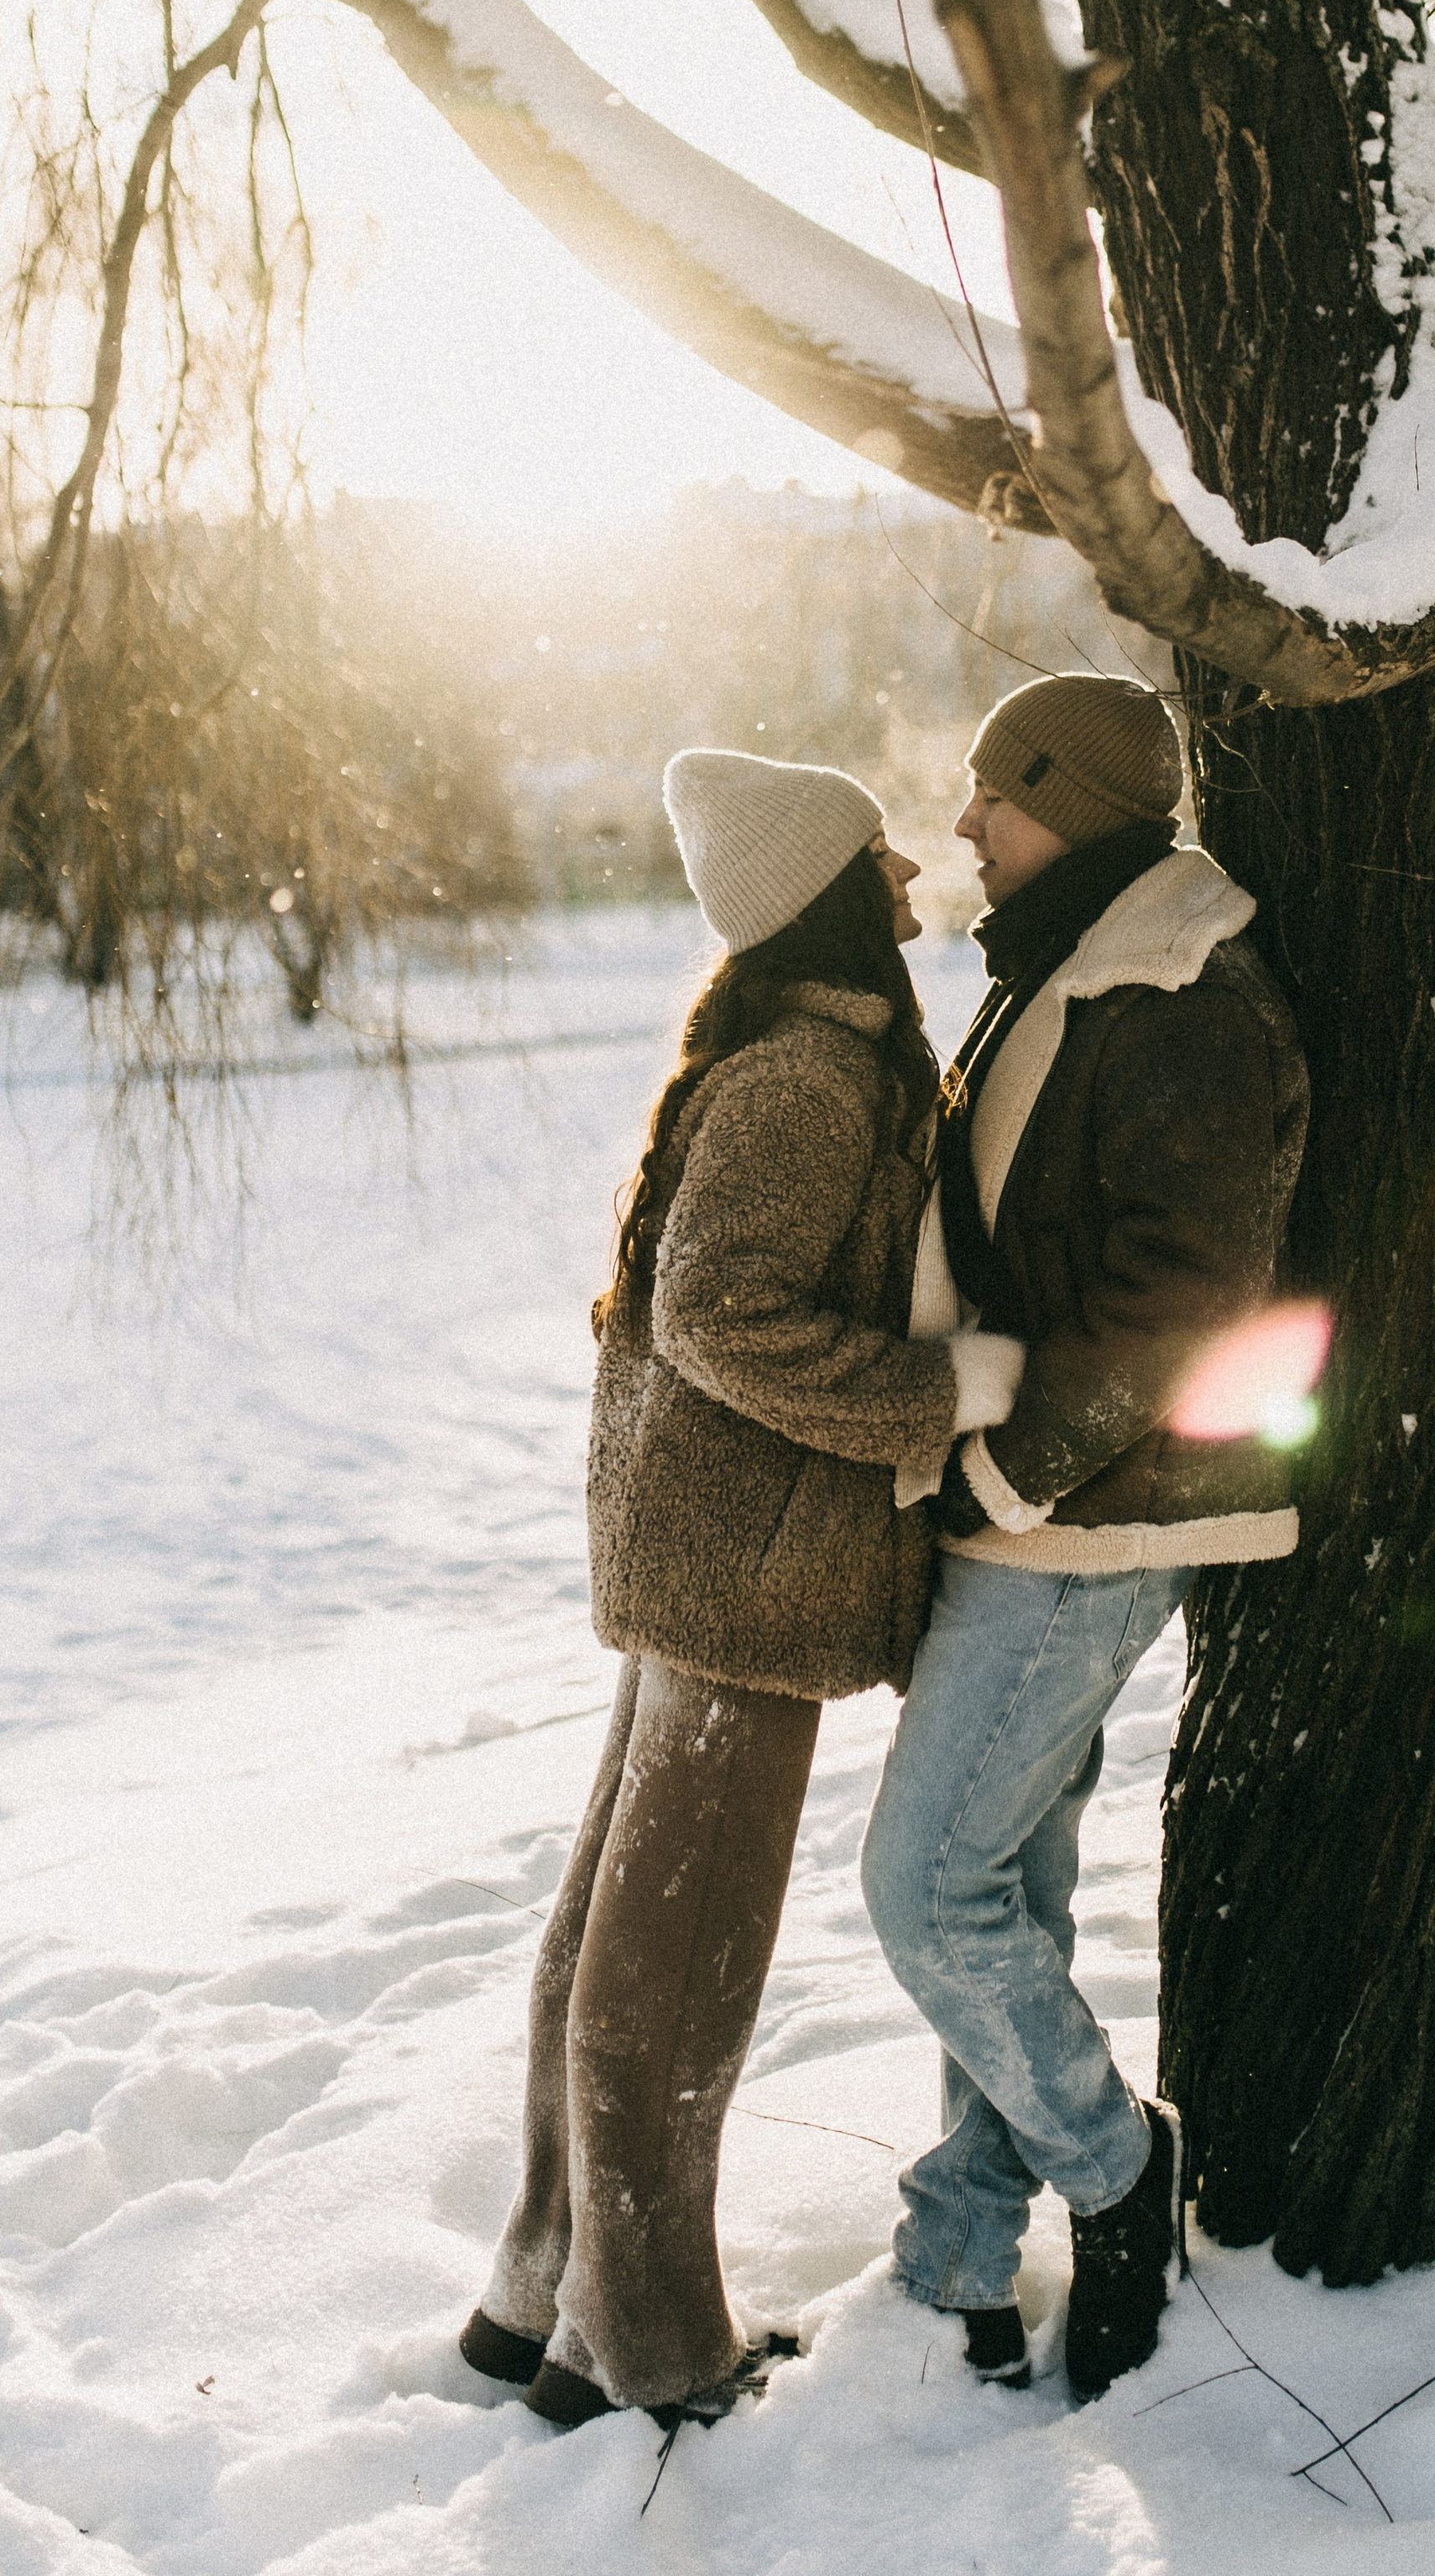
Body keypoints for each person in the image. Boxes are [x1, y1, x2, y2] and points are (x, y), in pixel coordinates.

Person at [459, 747, 1025, 2432]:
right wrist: (949, 1390)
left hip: (697, 1556)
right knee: (671, 1977)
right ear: (829, 891)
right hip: (744, 1574)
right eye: (882, 861)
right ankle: (647, 2355)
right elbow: (721, 1318)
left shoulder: (775, 1054)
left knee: (601, 1945)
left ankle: (539, 2295)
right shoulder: (806, 1076)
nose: (915, 884)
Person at [860, 674, 1310, 2401]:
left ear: (1080, 798)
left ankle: (1118, 2176)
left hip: (1091, 1519)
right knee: (1005, 1890)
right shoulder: (1064, 962)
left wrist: (1004, 1478)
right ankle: (963, 2245)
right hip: (1034, 1504)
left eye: (997, 792)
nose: (964, 824)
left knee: (921, 1892)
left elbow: (1178, 1305)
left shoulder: (1181, 990)